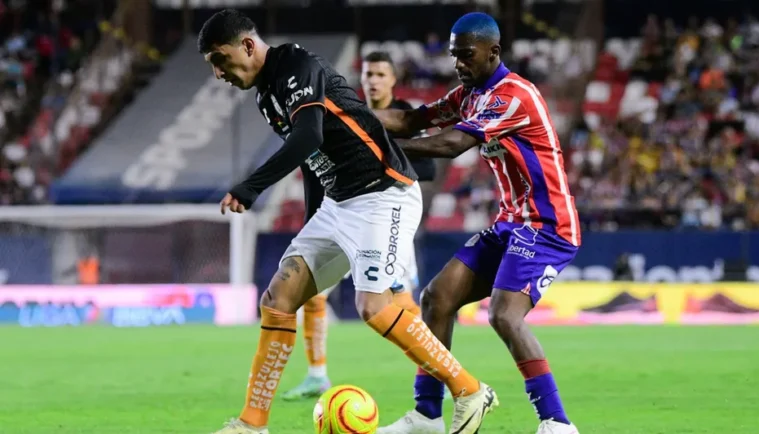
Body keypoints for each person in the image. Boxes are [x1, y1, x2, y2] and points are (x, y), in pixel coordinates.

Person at [197, 10, 498, 434]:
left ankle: (469, 390)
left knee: (373, 307)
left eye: (220, 59)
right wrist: (310, 223)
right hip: (338, 204)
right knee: (278, 298)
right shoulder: (267, 95)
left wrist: (251, 186)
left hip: (382, 193)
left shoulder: (295, 65)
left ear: (247, 45)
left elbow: (309, 137)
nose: (218, 73)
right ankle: (252, 424)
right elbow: (312, 160)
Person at [374, 12, 581, 434]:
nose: (458, 65)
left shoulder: (512, 96)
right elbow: (412, 120)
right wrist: (350, 119)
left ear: (494, 52)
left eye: (466, 56)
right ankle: (427, 414)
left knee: (505, 315)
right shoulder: (470, 94)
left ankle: (557, 423)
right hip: (511, 223)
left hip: (547, 226)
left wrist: (380, 154)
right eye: (454, 57)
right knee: (437, 298)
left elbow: (452, 145)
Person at [280, 50, 436, 402]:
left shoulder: (405, 114)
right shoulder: (347, 109)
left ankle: (432, 374)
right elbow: (315, 167)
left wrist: (384, 154)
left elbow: (427, 170)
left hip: (387, 215)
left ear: (393, 79)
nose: (373, 80)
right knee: (313, 294)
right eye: (368, 74)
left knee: (398, 303)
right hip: (342, 213)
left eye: (381, 74)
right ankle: (317, 374)